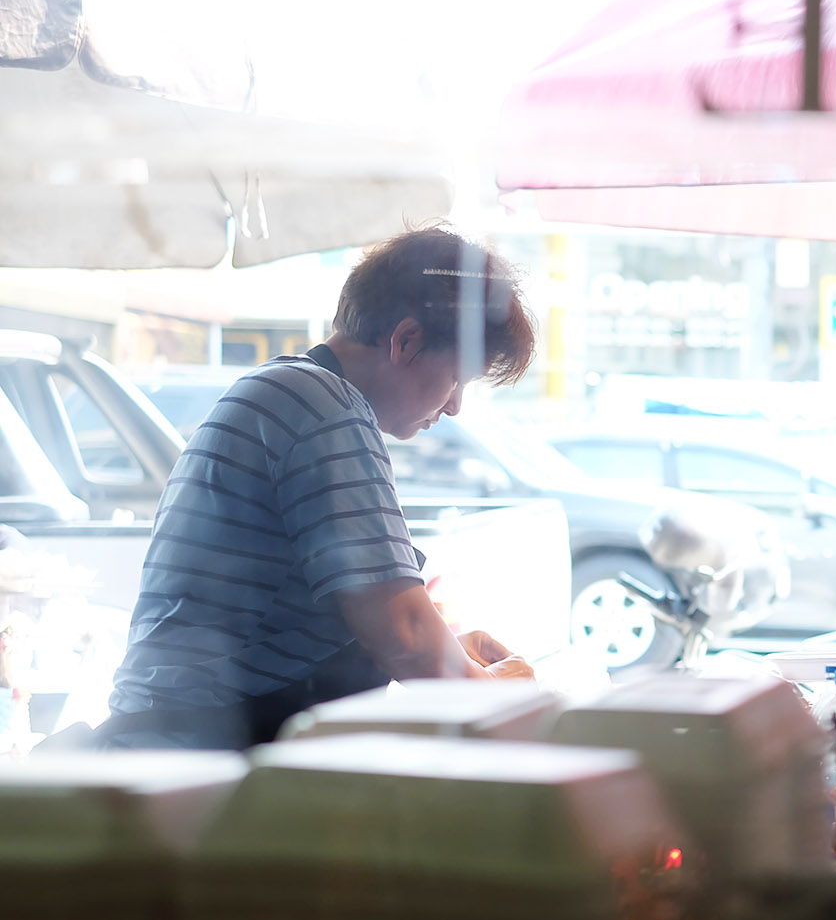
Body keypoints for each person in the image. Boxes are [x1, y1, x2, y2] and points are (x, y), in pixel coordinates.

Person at [91, 227, 539, 750]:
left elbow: (369, 628)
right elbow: (408, 638)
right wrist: (499, 692)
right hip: (193, 754)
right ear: (407, 340)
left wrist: (458, 660)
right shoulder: (322, 408)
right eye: (458, 379)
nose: (456, 405)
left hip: (183, 740)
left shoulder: (291, 392)